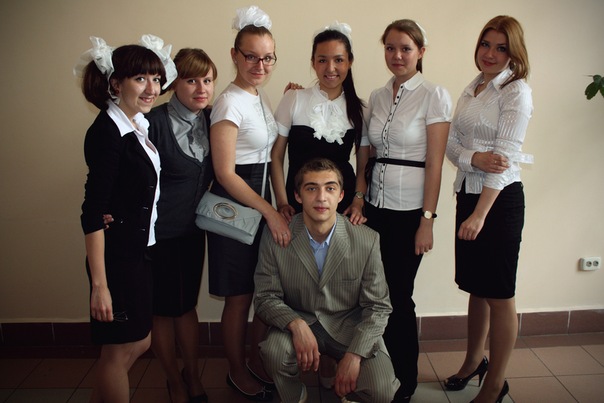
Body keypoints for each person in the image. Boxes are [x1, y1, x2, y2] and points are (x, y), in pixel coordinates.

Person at [77, 35, 174, 403]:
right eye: (140, 79)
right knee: (119, 351)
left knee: (138, 341)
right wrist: (99, 285)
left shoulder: (134, 124)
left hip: (136, 251)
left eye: (156, 78)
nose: (152, 89)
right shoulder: (108, 132)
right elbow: (92, 212)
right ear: (116, 84)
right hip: (116, 259)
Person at [254, 158, 399, 403]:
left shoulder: (366, 239)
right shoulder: (277, 234)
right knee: (274, 352)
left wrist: (354, 355)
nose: (321, 197)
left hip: (348, 326)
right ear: (298, 196)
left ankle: (350, 393)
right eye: (311, 188)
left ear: (341, 195)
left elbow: (378, 306)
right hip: (300, 319)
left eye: (330, 188)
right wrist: (296, 324)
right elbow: (264, 296)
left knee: (382, 390)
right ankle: (295, 396)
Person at [444, 15, 533, 403]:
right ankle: (472, 363)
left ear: (514, 53)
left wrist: (480, 215)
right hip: (468, 193)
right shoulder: (473, 87)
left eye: (501, 48)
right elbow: (451, 146)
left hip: (497, 203)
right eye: (486, 44)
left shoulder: (516, 92)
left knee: (499, 294)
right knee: (476, 289)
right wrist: (475, 158)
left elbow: (505, 158)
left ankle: (496, 383)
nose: (490, 54)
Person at [364, 19, 452, 402]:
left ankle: (404, 380)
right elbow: (368, 151)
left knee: (398, 296)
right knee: (373, 294)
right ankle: (377, 372)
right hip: (374, 209)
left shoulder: (434, 95)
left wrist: (426, 221)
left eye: (405, 48)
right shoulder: (377, 95)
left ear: (420, 52)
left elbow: (435, 163)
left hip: (410, 211)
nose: (397, 55)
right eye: (390, 48)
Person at [207, 5, 289, 401]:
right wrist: (269, 210)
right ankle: (236, 370)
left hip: (259, 200)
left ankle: (255, 361)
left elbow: (268, 153)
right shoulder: (228, 102)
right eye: (252, 56)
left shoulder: (257, 95)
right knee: (238, 296)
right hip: (237, 206)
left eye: (267, 57)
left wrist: (279, 202)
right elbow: (225, 173)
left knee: (259, 289)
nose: (260, 65)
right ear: (234, 55)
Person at [146, 48, 217, 403]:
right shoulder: (153, 122)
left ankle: (192, 374)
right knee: (162, 311)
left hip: (192, 233)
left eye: (207, 80)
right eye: (191, 80)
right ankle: (173, 379)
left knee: (187, 306)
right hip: (158, 236)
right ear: (173, 83)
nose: (201, 89)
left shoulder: (212, 118)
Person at [271, 22, 368, 225]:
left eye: (338, 60)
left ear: (349, 62)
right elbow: (276, 156)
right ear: (313, 62)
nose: (330, 68)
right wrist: (282, 202)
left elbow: (363, 166)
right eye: (322, 60)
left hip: (343, 205)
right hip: (297, 202)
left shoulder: (361, 109)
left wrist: (358, 201)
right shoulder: (294, 99)